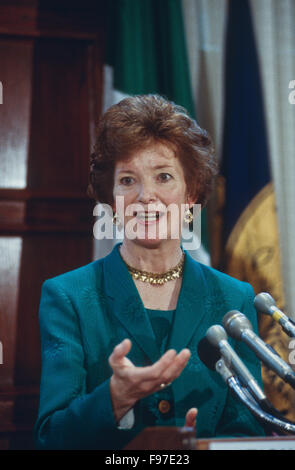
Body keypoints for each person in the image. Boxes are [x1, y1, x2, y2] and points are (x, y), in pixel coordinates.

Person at [34, 94, 265, 450]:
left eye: (164, 176)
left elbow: (250, 435)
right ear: (111, 200)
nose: (146, 195)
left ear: (191, 194)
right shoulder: (68, 297)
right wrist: (113, 399)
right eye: (127, 180)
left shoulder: (234, 299)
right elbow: (51, 439)